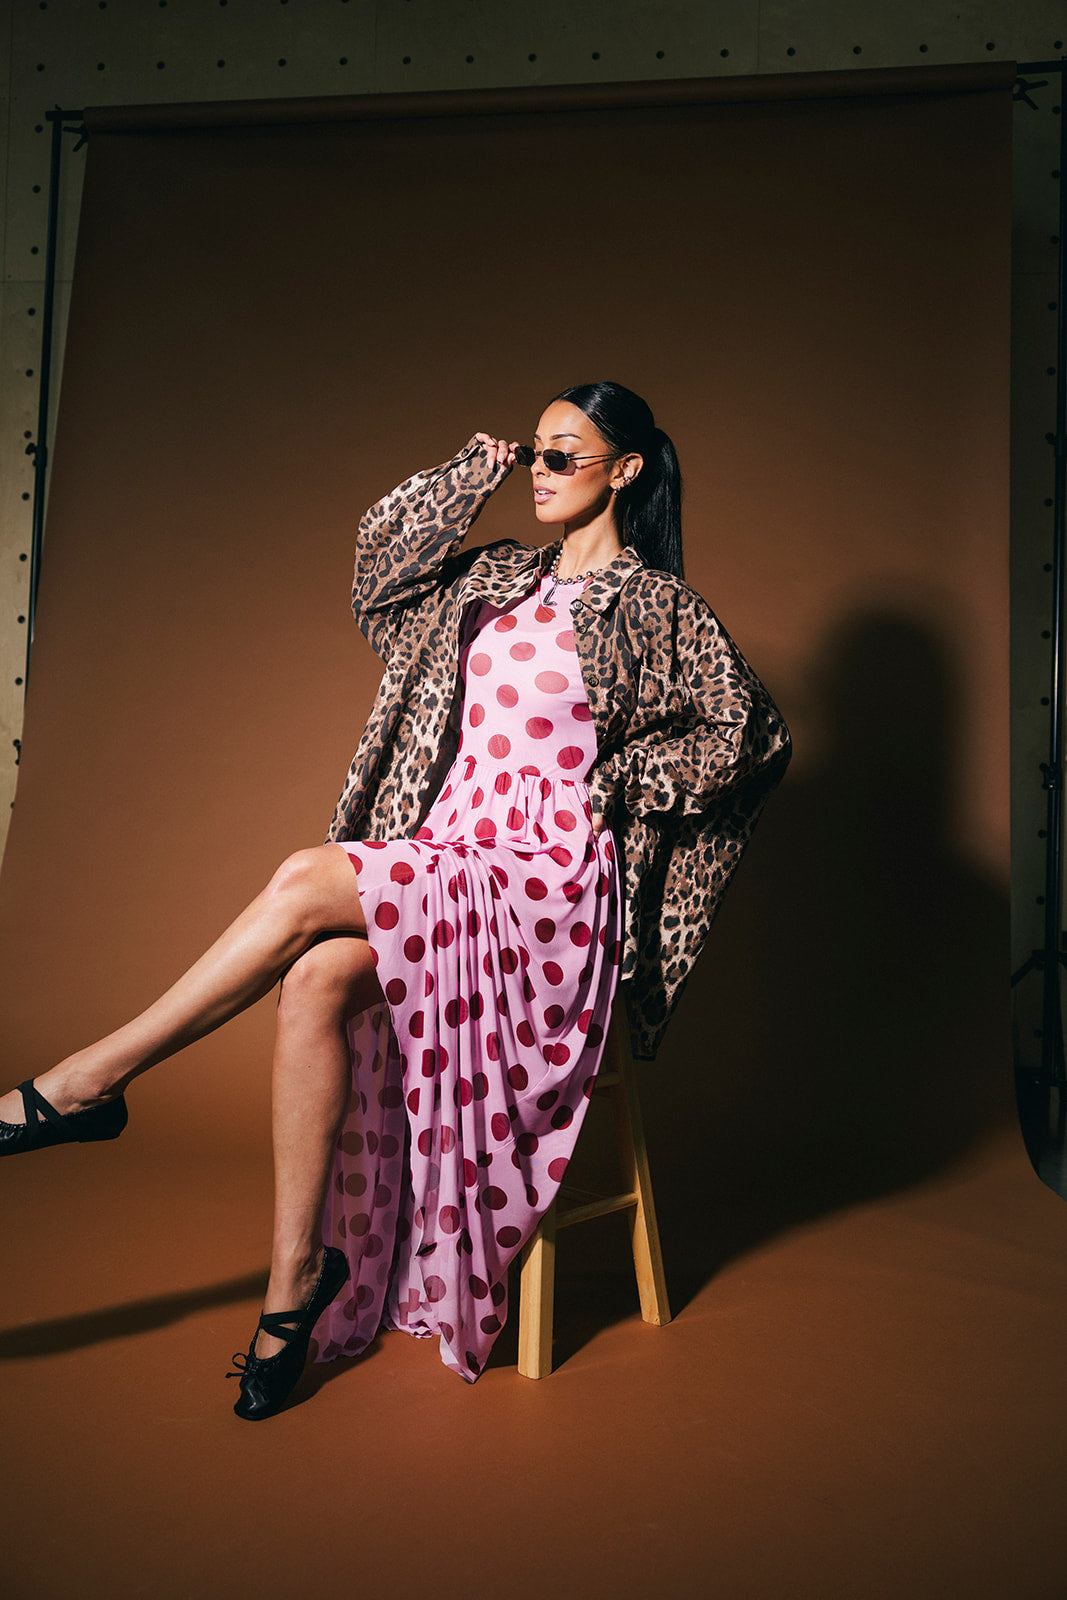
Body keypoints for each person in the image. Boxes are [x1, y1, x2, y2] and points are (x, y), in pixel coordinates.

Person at [0, 381, 790, 1420]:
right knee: (317, 977)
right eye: (536, 453)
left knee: (302, 876)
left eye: (564, 455)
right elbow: (378, 569)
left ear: (625, 470)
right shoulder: (491, 578)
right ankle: (293, 1284)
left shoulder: (655, 605)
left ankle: (86, 1081)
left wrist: (617, 786)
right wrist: (475, 467)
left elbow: (749, 734)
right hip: (451, 853)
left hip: (545, 884)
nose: (540, 472)